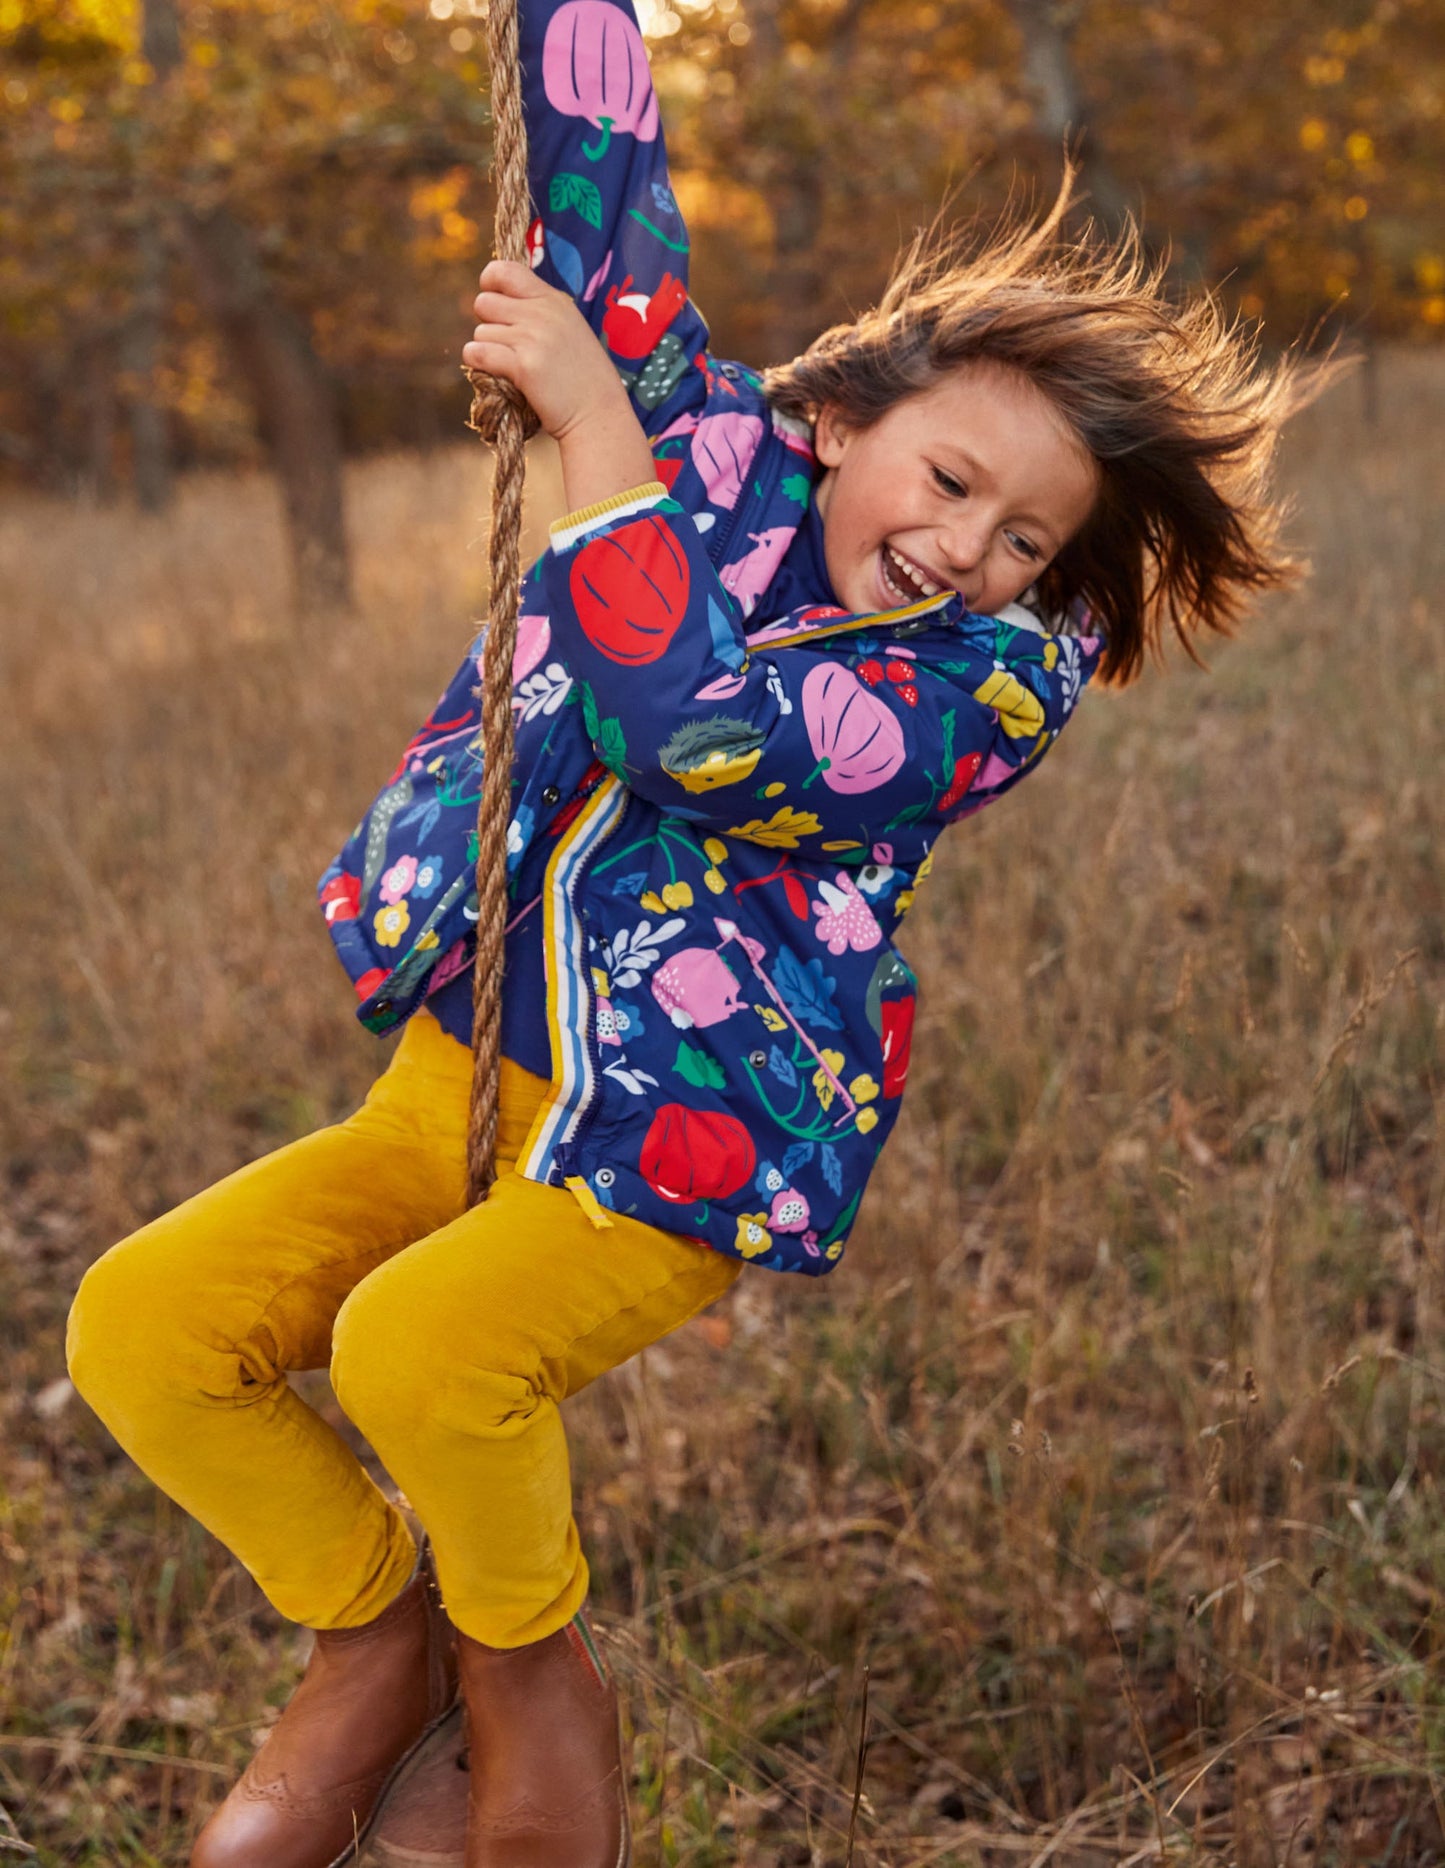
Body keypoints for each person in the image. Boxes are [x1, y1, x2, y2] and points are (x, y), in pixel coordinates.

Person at [64, 0, 1331, 1861]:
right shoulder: (717, 453)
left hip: (670, 1146)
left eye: (1029, 540)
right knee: (144, 1324)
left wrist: (590, 430)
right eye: (952, 481)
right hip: (454, 1088)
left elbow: (705, 732)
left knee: (423, 1352)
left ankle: (529, 1683)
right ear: (831, 427)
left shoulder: (980, 688)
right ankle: (375, 1642)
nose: (973, 550)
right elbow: (603, 207)